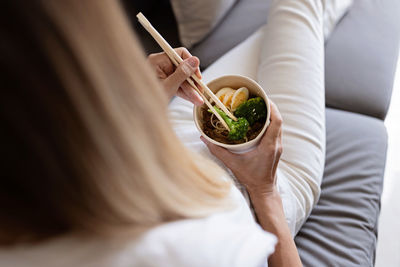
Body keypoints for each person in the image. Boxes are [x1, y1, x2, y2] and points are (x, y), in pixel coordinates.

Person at [0, 0, 351, 266]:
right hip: (263, 178)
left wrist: (141, 103)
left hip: (174, 132)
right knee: (299, 9)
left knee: (290, 21)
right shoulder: (194, 250)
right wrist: (266, 191)